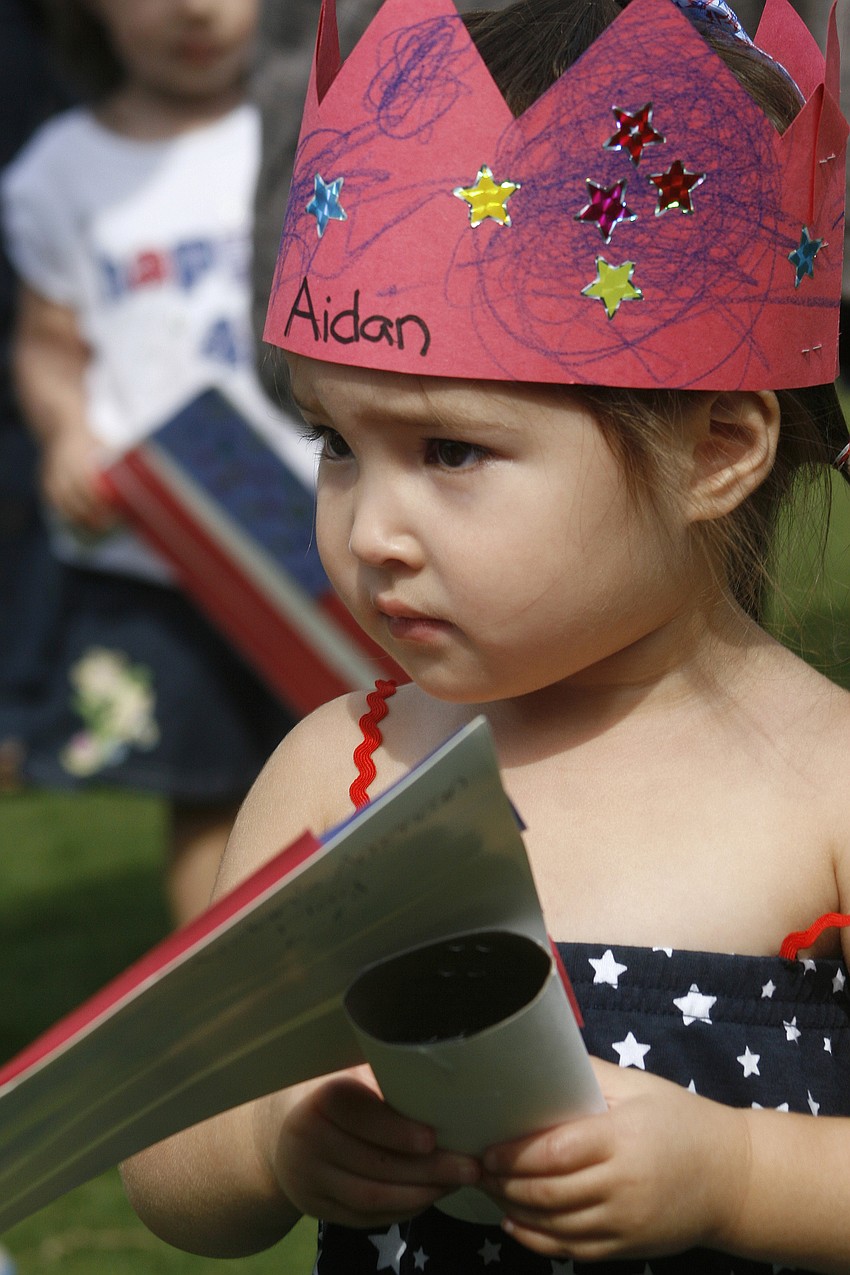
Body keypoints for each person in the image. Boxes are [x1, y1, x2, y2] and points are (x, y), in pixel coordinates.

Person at [122, 0, 850, 1270]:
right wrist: (279, 1141)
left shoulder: (824, 787)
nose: (371, 531)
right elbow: (165, 1152)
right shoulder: (342, 773)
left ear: (715, 453)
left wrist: (739, 1176)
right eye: (337, 444)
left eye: (450, 451)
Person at [1, 0, 298, 923]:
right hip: (164, 555)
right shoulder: (59, 171)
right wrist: (65, 429)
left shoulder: (308, 125)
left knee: (368, 759)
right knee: (208, 790)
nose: (193, 10)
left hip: (312, 532)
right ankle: (239, 995)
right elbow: (48, 341)